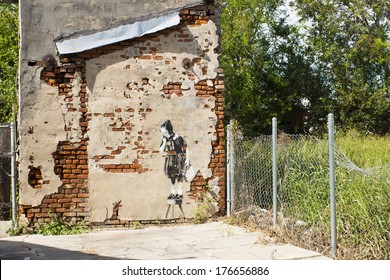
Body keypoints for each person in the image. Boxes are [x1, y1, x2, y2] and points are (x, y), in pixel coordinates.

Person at [159, 120, 190, 200]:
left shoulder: (178, 137)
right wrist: (164, 142)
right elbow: (160, 151)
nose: (164, 134)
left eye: (165, 132)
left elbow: (186, 148)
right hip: (170, 160)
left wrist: (187, 159)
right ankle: (173, 193)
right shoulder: (165, 139)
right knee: (172, 177)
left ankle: (179, 193)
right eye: (163, 133)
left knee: (179, 176)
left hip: (178, 158)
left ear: (170, 130)